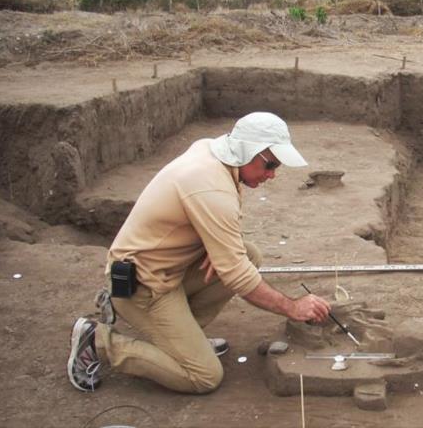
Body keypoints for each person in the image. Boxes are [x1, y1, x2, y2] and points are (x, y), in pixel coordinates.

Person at [67, 112, 332, 393]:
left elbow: (228, 250)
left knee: (247, 254)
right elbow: (237, 276)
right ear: (246, 151)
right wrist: (292, 307)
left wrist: (213, 247)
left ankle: (181, 341)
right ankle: (98, 341)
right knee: (204, 376)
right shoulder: (211, 187)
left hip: (166, 269)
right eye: (270, 164)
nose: (273, 174)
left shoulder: (212, 150)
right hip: (143, 286)